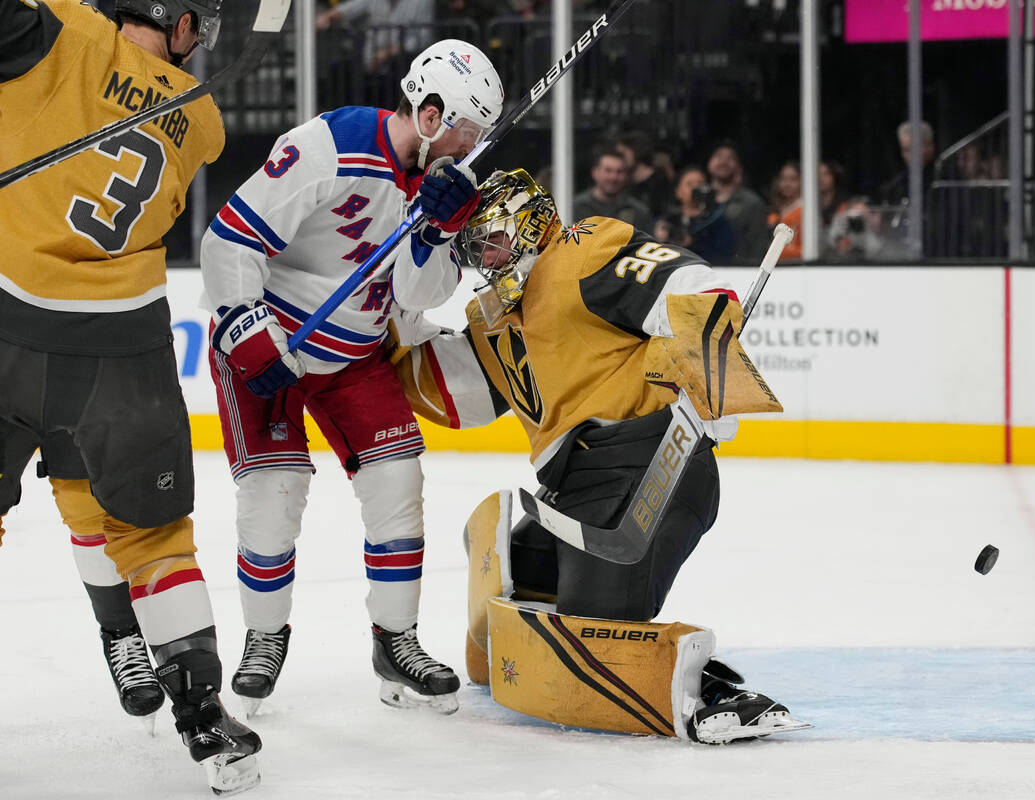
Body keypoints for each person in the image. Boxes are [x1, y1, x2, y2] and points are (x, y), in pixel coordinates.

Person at [391, 169, 808, 744]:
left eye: (492, 238)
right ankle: (546, 613)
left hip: (649, 465)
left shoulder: (580, 249)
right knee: (526, 603)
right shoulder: (493, 317)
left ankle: (714, 692)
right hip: (572, 494)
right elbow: (449, 391)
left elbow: (684, 283)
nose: (486, 258)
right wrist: (379, 322)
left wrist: (711, 373)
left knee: (595, 630)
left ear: (531, 222)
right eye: (476, 249)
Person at [199, 38, 504, 717]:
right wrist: (247, 328)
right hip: (271, 346)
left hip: (356, 355)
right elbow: (227, 239)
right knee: (273, 498)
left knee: (398, 482)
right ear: (429, 115)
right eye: (465, 132)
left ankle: (394, 641)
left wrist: (432, 234)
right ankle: (264, 637)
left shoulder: (444, 187)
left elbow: (418, 296)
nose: (471, 149)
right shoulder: (330, 146)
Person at [0, 0, 261, 793]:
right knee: (155, 541)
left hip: (9, 319)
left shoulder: (51, 30)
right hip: (124, 346)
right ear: (181, 23)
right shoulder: (203, 119)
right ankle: (204, 716)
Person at [706, 140, 770, 263]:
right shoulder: (697, 200)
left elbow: (758, 247)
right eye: (718, 156)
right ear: (709, 163)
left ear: (739, 166)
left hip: (739, 271)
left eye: (730, 158)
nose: (723, 162)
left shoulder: (752, 203)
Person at [656, 165, 736, 263]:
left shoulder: (718, 221)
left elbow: (725, 257)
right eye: (689, 184)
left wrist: (692, 244)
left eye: (700, 184)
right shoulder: (667, 219)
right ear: (678, 191)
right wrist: (657, 239)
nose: (695, 188)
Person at [572, 146, 655, 231]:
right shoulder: (574, 209)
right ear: (595, 172)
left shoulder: (639, 212)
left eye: (619, 172)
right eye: (608, 170)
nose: (613, 177)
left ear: (626, 175)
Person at [876, 119, 935, 206]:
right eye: (906, 150)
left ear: (929, 146)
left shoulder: (942, 180)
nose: (909, 156)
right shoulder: (896, 185)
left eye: (914, 149)